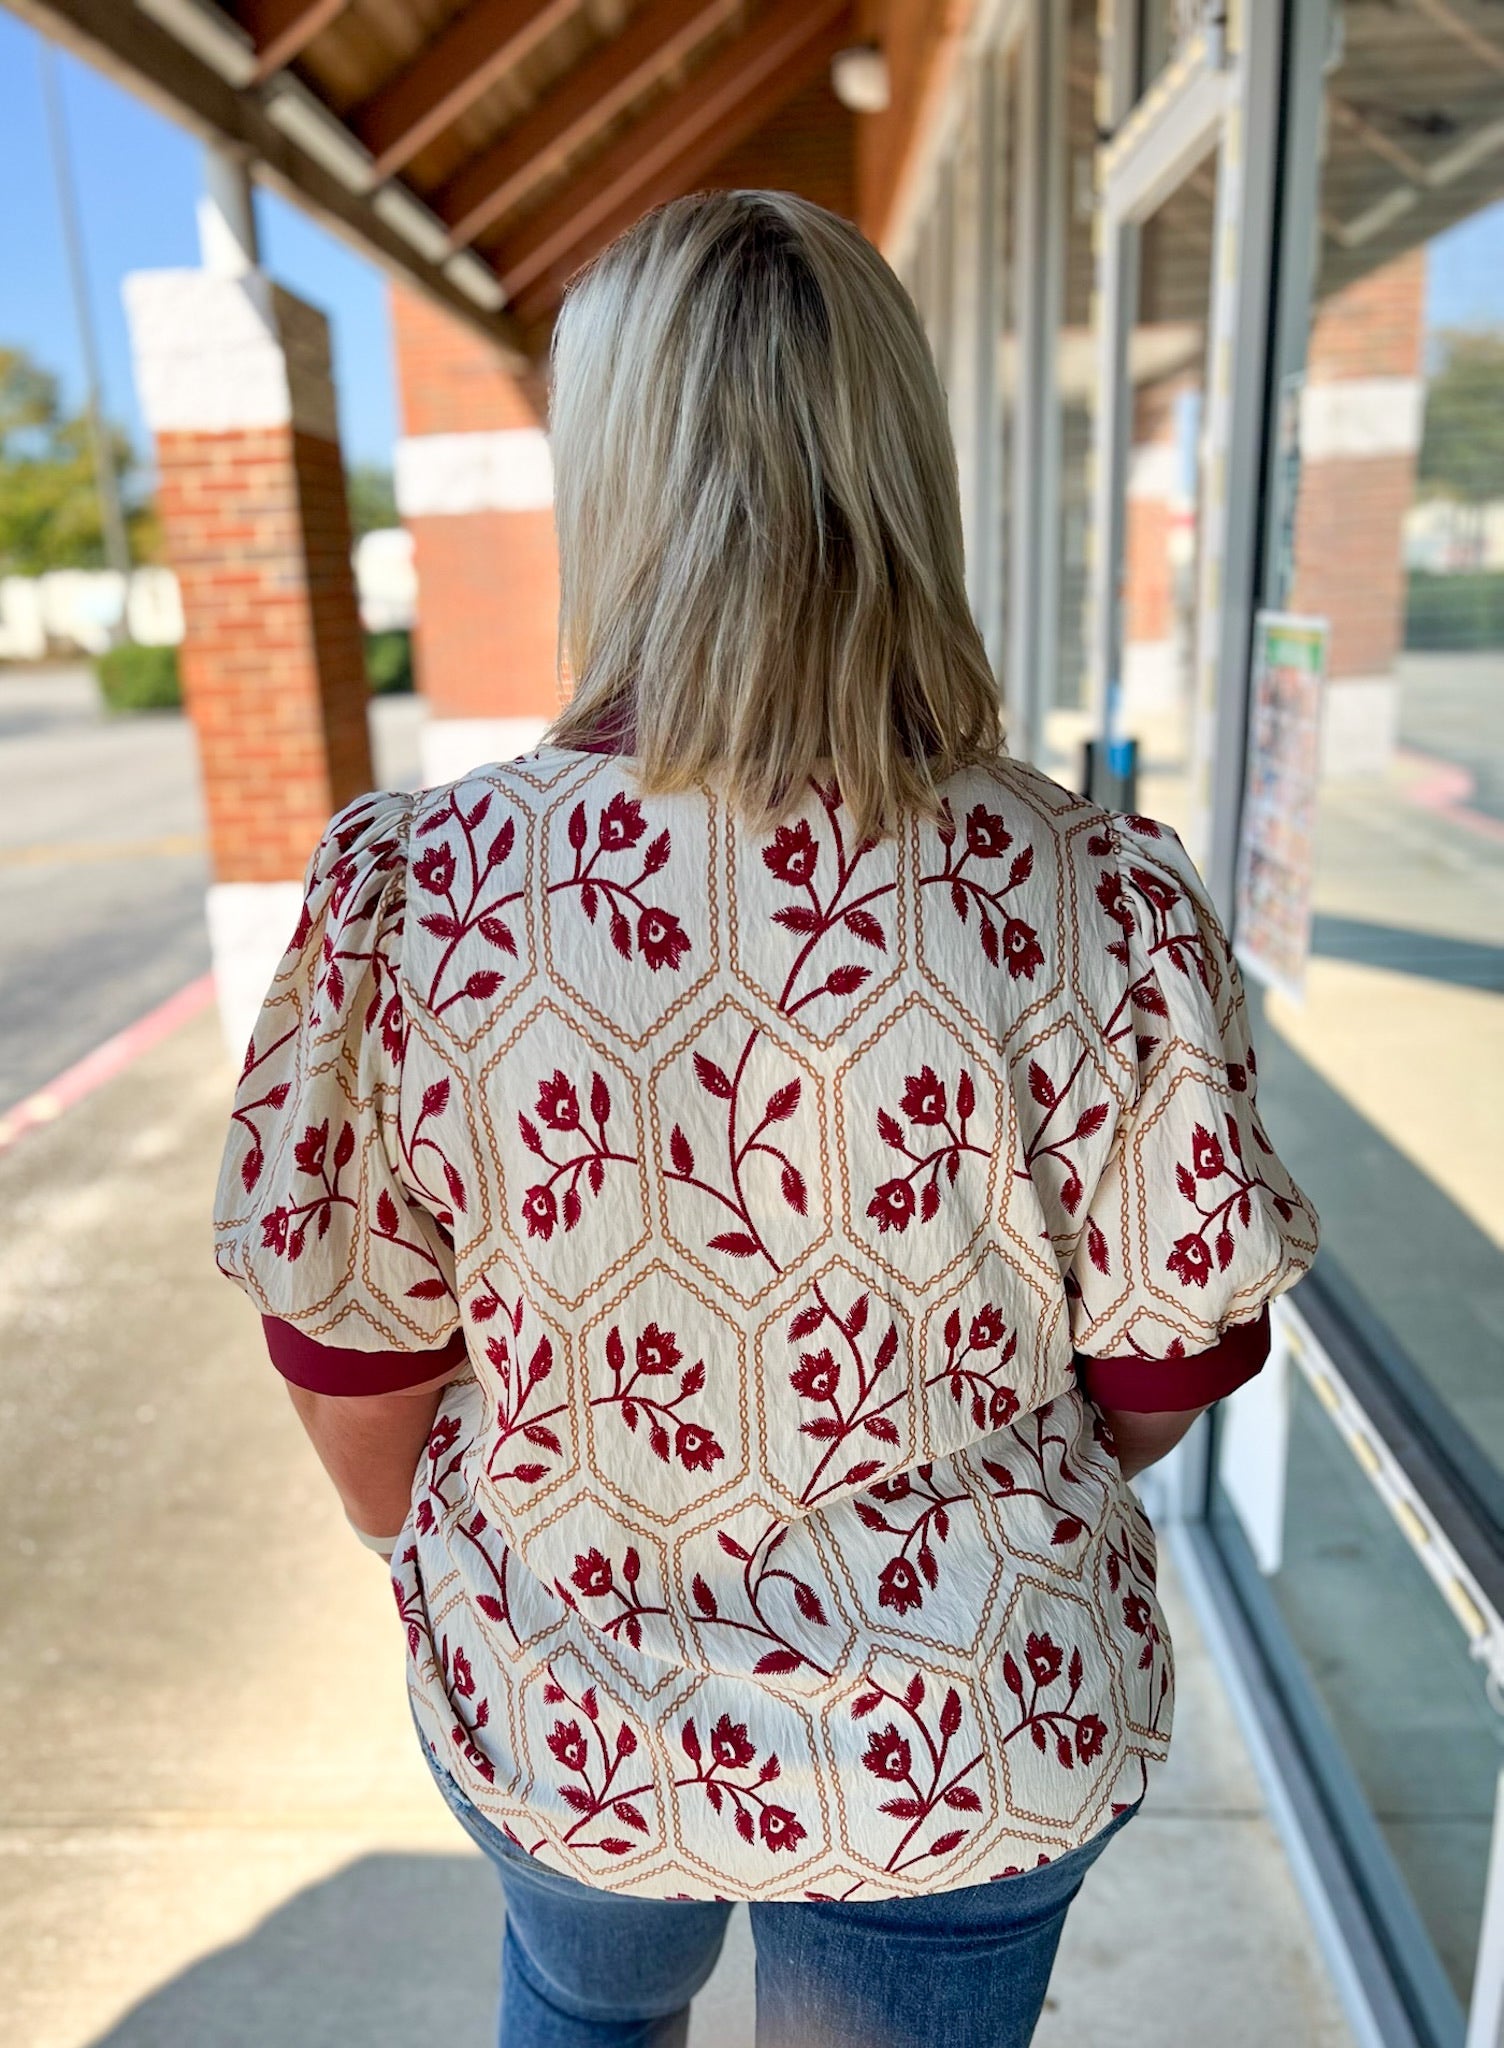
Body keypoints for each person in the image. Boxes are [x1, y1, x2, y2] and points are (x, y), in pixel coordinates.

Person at [212, 190, 1318, 2048]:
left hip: (569, 1705)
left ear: (616, 483)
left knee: (584, 2002)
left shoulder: (427, 893)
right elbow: (1169, 1360)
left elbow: (348, 1357)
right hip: (974, 1718)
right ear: (902, 468)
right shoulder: (1091, 892)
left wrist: (532, 1540)